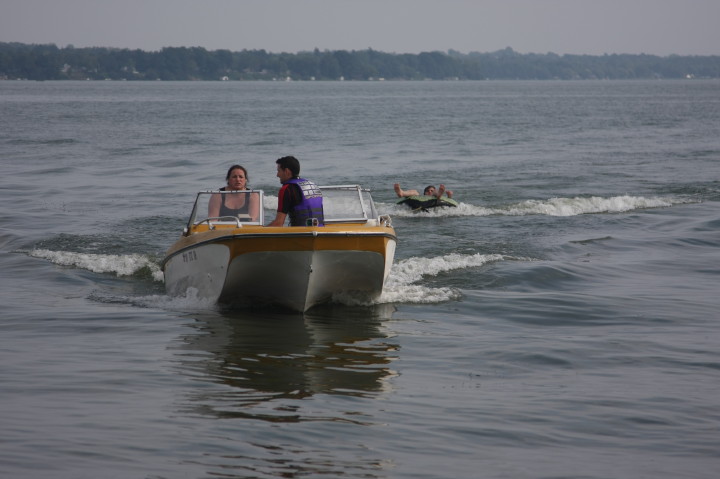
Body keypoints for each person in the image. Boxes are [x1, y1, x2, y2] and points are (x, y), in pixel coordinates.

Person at [267, 156, 324, 227]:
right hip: (320, 232)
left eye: (279, 171)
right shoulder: (313, 185)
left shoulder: (286, 189)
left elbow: (278, 223)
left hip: (300, 235)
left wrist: (259, 232)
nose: (277, 175)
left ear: (287, 171)